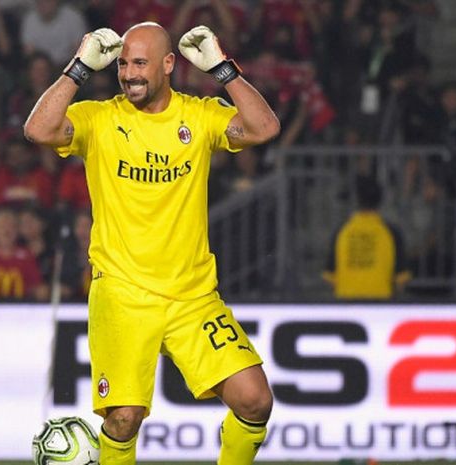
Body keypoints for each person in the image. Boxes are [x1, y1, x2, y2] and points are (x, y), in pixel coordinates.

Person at [24, 22, 280, 465]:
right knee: (124, 418)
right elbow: (39, 130)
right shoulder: (100, 118)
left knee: (255, 401)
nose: (128, 73)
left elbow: (264, 129)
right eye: (123, 64)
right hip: (123, 294)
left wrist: (222, 69)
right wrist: (80, 68)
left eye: (139, 63)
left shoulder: (198, 116)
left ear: (168, 65)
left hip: (192, 297)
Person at [323, 175, 411, 299]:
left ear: (355, 201)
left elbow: (329, 277)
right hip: (380, 304)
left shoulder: (341, 231)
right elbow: (401, 279)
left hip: (346, 304)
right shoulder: (391, 232)